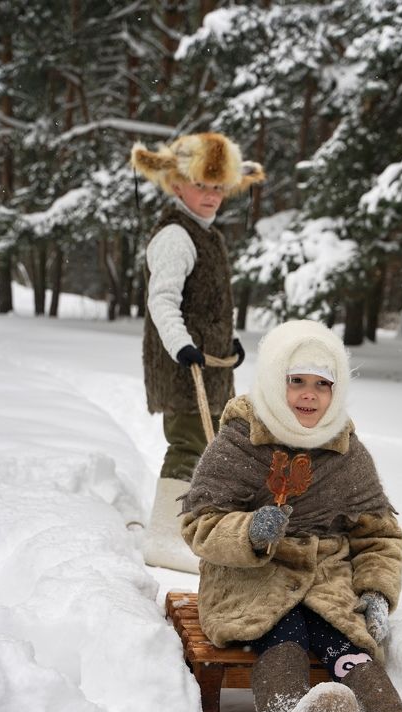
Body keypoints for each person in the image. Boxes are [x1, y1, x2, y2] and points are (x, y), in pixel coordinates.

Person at [180, 319, 402, 712]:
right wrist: (248, 531)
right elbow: (198, 524)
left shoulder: (345, 450)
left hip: (326, 577)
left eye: (322, 383)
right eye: (296, 381)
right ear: (275, 379)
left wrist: (376, 591)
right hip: (248, 578)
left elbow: (378, 534)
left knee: (345, 641)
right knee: (282, 629)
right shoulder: (240, 440)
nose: (309, 395)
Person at [130, 132, 265, 573]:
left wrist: (228, 341)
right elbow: (162, 300)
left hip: (211, 368)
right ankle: (164, 537)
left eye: (218, 187)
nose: (211, 196)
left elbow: (209, 303)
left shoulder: (207, 235)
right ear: (176, 184)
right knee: (189, 445)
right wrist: (181, 345)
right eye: (201, 185)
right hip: (184, 368)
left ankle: (195, 530)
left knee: (211, 447)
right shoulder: (175, 236)